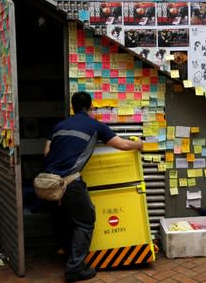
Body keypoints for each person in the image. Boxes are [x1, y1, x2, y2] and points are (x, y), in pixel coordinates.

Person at [43, 91, 142, 282]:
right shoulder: (95, 126)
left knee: (63, 220)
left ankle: (68, 254)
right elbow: (121, 145)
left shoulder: (58, 126)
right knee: (86, 221)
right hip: (68, 183)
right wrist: (139, 145)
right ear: (90, 107)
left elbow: (47, 152)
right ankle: (75, 268)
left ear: (72, 107)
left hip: (47, 183)